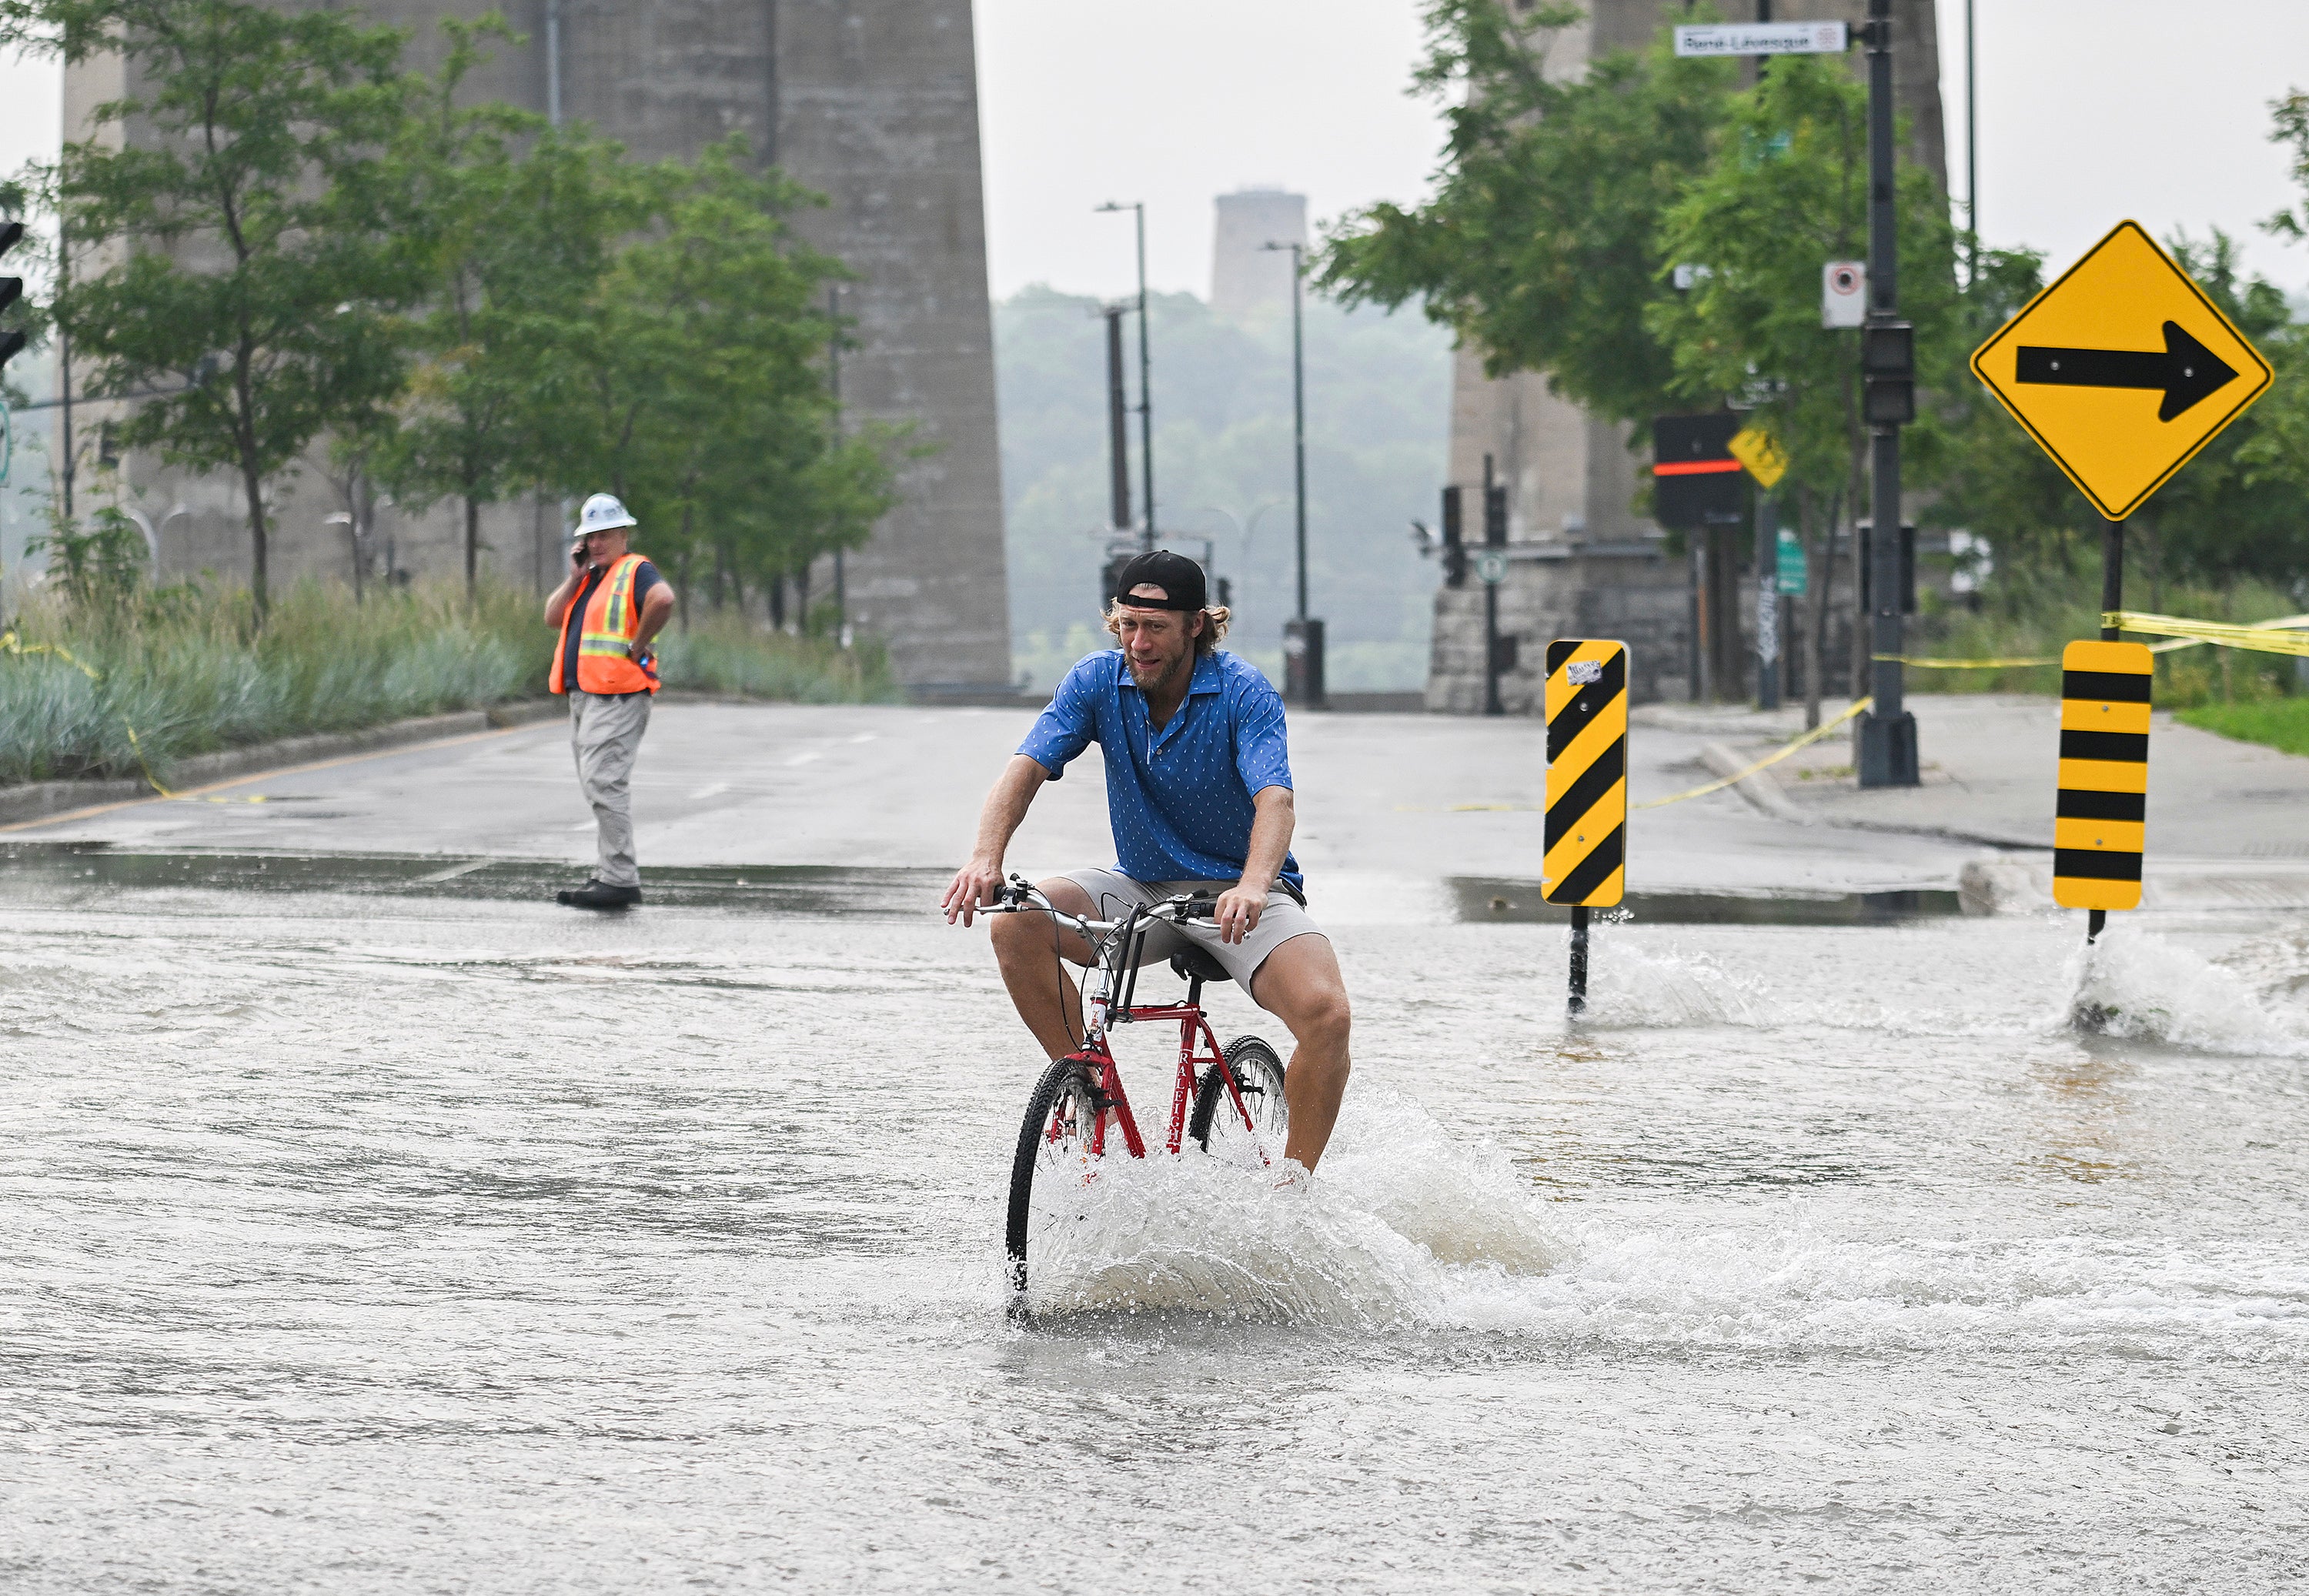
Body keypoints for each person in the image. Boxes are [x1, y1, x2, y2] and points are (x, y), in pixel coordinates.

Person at [942, 549, 1353, 1175]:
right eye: (1129, 625)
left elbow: (1276, 800)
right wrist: (984, 858)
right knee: (1016, 920)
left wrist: (1251, 884)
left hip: (1243, 894)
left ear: (1196, 626)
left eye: (1156, 628)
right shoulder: (1098, 681)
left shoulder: (1243, 693)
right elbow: (1024, 768)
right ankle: (1086, 1094)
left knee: (1328, 1016)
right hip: (1143, 886)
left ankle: (1292, 1197)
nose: (1139, 642)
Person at [545, 492, 675, 910]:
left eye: (604, 534)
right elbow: (551, 616)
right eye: (590, 536)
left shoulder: (635, 570)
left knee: (604, 782)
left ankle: (619, 879)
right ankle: (610, 873)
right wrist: (574, 575)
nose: (597, 543)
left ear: (623, 534)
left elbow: (664, 599)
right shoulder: (590, 577)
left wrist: (639, 645)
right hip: (587, 695)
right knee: (597, 783)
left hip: (617, 694)